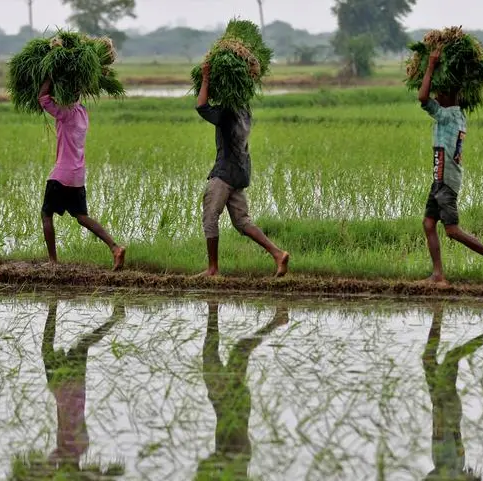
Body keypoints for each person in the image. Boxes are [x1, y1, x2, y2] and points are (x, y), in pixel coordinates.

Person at [417, 48, 483, 285]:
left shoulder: (448, 116)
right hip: (440, 177)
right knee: (429, 224)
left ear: (450, 96)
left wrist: (430, 66)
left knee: (452, 230)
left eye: (440, 93)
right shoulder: (456, 115)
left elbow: (422, 98)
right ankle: (438, 275)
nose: (436, 96)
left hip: (446, 179)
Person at [195, 62, 290, 278]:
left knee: (210, 217)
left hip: (224, 172)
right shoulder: (244, 108)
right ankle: (278, 254)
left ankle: (212, 269)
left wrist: (206, 78)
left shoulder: (227, 112)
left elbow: (202, 106)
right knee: (241, 221)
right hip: (240, 171)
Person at [38, 79, 125, 270]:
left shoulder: (66, 113)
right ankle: (115, 247)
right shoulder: (82, 112)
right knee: (81, 216)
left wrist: (49, 78)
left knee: (46, 214)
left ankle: (53, 261)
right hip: (77, 175)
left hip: (62, 174)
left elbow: (43, 98)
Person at [196, 301, 289, 480]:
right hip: (233, 405)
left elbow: (206, 466)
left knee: (211, 352)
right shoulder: (239, 464)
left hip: (221, 404)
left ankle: (213, 307)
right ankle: (278, 320)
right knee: (240, 350)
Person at [423, 306, 483, 481]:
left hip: (439, 406)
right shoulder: (453, 469)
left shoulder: (446, 467)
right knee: (451, 357)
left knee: (429, 359)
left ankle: (438, 313)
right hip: (447, 408)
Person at [40, 300, 125, 471]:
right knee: (76, 346)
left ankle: (53, 306)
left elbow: (49, 464)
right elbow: (50, 463)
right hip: (68, 387)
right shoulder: (73, 450)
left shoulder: (77, 449)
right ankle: (116, 317)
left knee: (70, 346)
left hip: (66, 388)